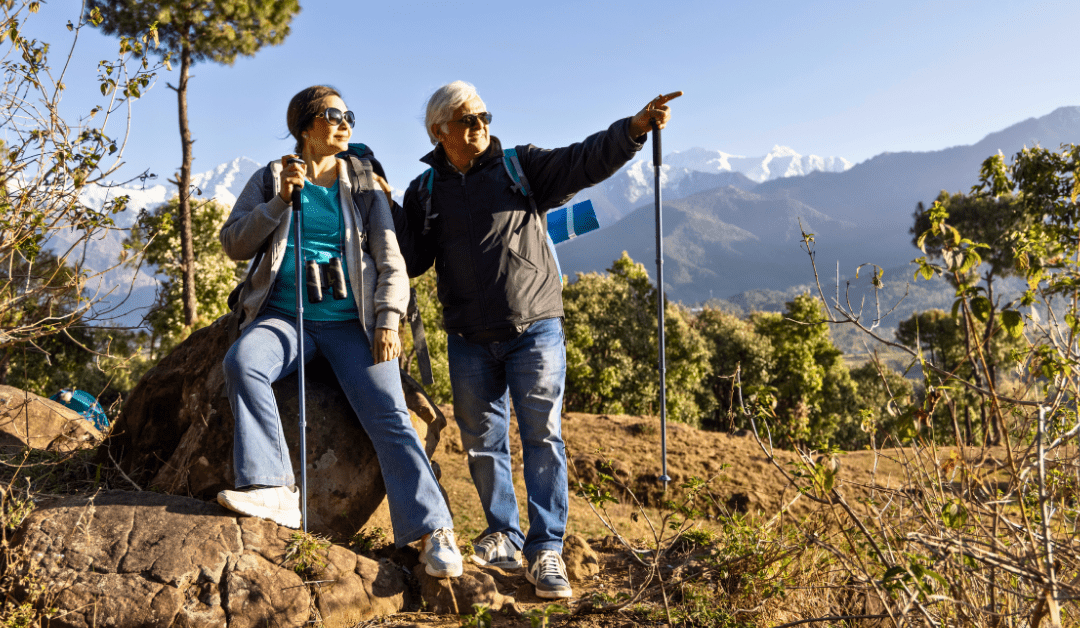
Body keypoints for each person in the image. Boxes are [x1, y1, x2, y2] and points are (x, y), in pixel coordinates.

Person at [396, 81, 680, 598]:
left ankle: (546, 548)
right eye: (467, 119)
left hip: (535, 329)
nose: (480, 124)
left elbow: (583, 161)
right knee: (483, 444)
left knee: (543, 438)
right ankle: (502, 534)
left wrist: (633, 130)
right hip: (467, 336)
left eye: (483, 114)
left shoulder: (519, 165)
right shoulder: (425, 191)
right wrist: (380, 203)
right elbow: (412, 260)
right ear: (440, 132)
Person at [217, 85, 462, 578]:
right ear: (305, 126)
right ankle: (272, 488)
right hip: (284, 318)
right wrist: (281, 202)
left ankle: (434, 531)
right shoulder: (271, 178)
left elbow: (390, 256)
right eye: (332, 114)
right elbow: (233, 244)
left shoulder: (365, 181)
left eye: (348, 113)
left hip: (352, 323)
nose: (345, 121)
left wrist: (388, 319)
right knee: (242, 363)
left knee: (390, 415)